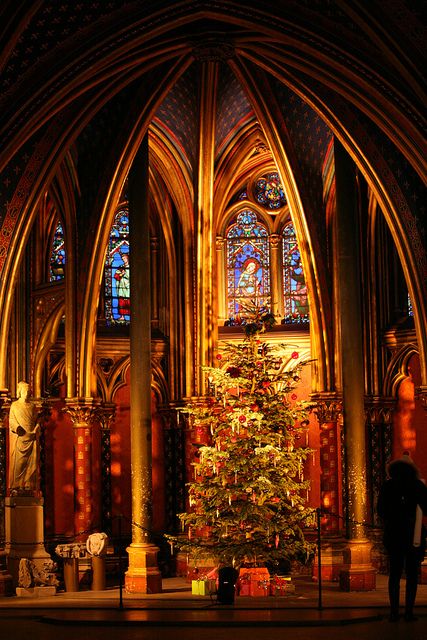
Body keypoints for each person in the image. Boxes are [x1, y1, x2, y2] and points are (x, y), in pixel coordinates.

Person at [377, 452, 427, 622]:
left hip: (394, 533)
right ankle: (409, 612)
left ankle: (394, 612)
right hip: (414, 534)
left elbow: (381, 511)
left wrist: (393, 517)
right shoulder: (417, 486)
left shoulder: (388, 486)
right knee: (412, 575)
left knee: (395, 573)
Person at [8, 381, 40, 494]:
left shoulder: (32, 406)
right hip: (21, 438)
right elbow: (11, 420)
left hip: (31, 437)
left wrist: (36, 428)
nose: (26, 393)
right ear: (20, 392)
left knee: (31, 463)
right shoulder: (15, 405)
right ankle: (16, 486)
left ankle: (27, 485)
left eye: (28, 390)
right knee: (19, 463)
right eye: (24, 391)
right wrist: (17, 428)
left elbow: (37, 420)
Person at [114, 252, 130, 320]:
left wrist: (125, 274)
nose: (123, 260)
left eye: (124, 258)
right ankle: (122, 316)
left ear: (127, 258)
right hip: (121, 288)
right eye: (122, 258)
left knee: (129, 302)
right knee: (121, 302)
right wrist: (121, 274)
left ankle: (131, 316)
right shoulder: (121, 267)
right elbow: (115, 276)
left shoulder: (131, 267)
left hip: (128, 287)